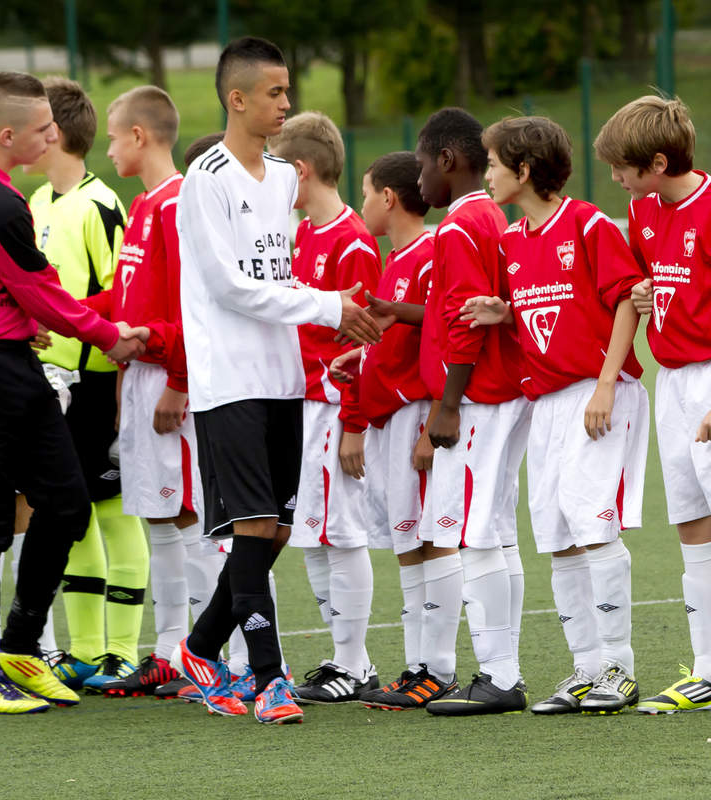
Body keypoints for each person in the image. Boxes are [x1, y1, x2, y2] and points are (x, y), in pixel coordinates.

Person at [168, 37, 379, 725]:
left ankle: (199, 650)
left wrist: (334, 315)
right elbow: (230, 288)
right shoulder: (205, 178)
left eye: (287, 92)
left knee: (275, 533)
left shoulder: (285, 178)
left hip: (283, 379)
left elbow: (274, 277)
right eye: (276, 92)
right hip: (227, 381)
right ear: (238, 98)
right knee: (254, 525)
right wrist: (327, 306)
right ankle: (268, 682)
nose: (287, 104)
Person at [0, 71, 146, 715]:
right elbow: (41, 290)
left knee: (65, 502)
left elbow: (17, 291)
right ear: (7, 134)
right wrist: (110, 336)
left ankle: (17, 649)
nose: (53, 135)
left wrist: (26, 324)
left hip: (11, 362)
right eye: (43, 129)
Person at [595, 96, 711, 717]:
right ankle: (708, 668)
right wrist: (646, 289)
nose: (617, 178)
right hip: (673, 380)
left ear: (656, 160)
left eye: (623, 167)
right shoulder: (641, 209)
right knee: (692, 524)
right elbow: (642, 280)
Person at [460, 116, 646, 715]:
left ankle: (620, 667)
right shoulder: (511, 242)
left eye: (492, 164)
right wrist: (503, 314)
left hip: (595, 394)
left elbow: (625, 303)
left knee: (593, 526)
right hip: (546, 403)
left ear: (524, 170)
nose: (486, 175)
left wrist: (607, 383)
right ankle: (586, 669)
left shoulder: (588, 223)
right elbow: (544, 314)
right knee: (558, 536)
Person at [74, 84, 212, 697]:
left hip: (168, 381)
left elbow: (194, 307)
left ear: (140, 136)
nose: (107, 148)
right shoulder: (144, 204)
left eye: (112, 136)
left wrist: (178, 382)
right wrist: (70, 315)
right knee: (160, 516)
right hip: (139, 377)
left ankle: (201, 654)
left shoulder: (180, 203)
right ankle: (168, 649)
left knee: (189, 515)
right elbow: (128, 300)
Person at [24, 77, 149, 694]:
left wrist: (75, 330)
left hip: (98, 381)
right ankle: (86, 651)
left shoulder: (101, 204)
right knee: (66, 515)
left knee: (112, 512)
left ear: (57, 132)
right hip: (51, 384)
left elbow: (120, 297)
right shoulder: (36, 203)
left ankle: (124, 651)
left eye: (40, 125)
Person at [413, 107, 529, 716]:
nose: (418, 178)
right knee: (497, 534)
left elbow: (465, 321)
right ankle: (500, 669)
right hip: (502, 392)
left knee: (476, 535)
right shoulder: (490, 214)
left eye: (422, 163)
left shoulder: (457, 229)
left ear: (447, 161)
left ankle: (499, 675)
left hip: (479, 397)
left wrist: (448, 404)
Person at [267, 111, 383, 704]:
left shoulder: (352, 240)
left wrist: (355, 424)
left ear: (301, 170)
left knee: (341, 533)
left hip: (336, 408)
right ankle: (349, 659)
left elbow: (365, 343)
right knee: (313, 534)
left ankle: (354, 664)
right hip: (304, 405)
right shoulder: (300, 234)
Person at [328, 151, 437, 707]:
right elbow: (393, 340)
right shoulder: (396, 259)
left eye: (367, 193)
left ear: (388, 198)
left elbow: (442, 341)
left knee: (422, 542)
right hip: (389, 420)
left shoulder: (428, 253)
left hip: (415, 417)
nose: (361, 203)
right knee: (404, 543)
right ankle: (418, 667)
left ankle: (431, 667)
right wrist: (360, 364)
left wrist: (433, 422)